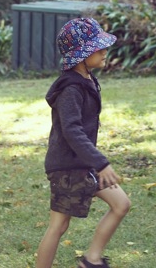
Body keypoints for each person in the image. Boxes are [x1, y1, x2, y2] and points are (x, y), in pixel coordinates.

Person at [35, 17, 131, 268]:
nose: (104, 51)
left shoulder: (86, 79)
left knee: (121, 204)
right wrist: (100, 162)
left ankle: (92, 259)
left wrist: (93, 161)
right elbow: (72, 130)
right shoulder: (71, 89)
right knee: (58, 225)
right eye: (97, 48)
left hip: (82, 163)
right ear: (82, 55)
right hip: (68, 167)